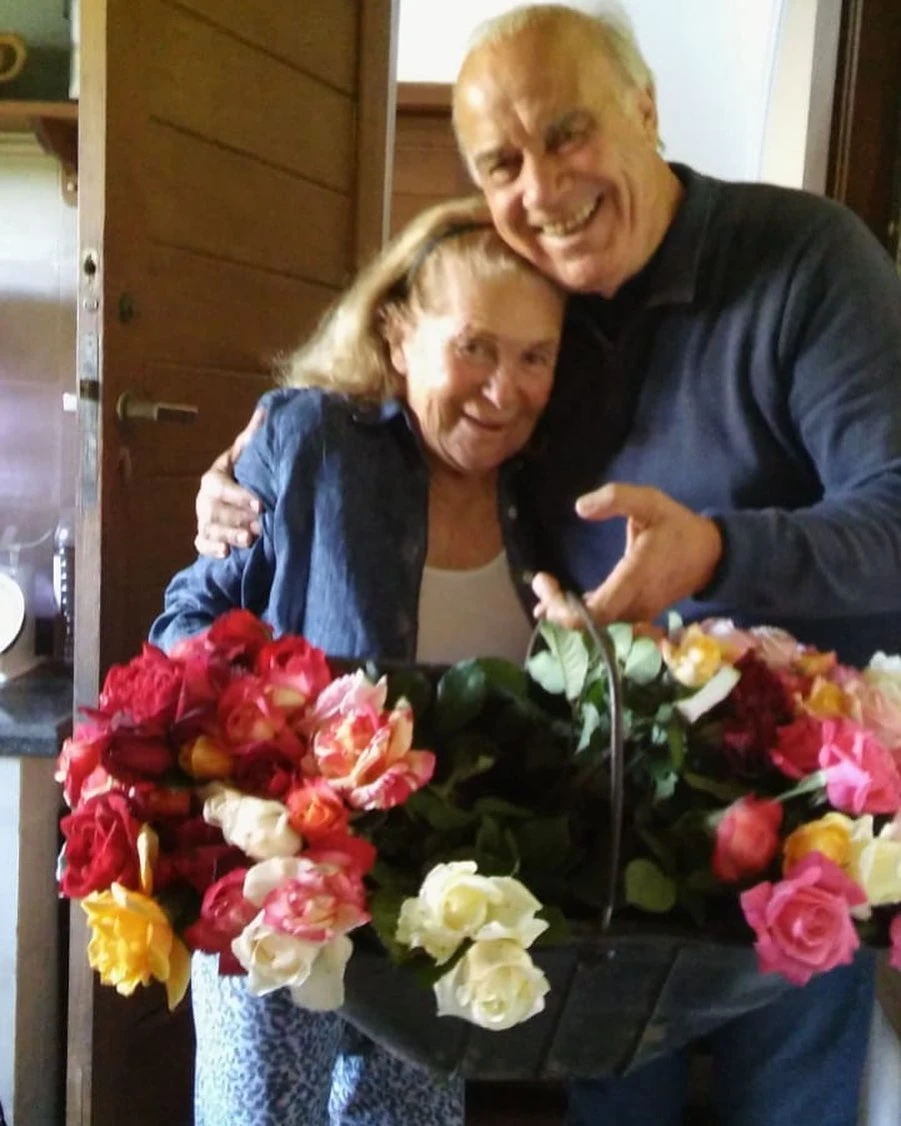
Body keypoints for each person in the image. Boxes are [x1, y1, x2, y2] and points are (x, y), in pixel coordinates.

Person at [194, 6, 901, 1126]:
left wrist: (717, 549)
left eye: (567, 132)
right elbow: (417, 395)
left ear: (645, 109)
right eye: (501, 164)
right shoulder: (538, 286)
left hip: (797, 824)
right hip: (602, 838)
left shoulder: (806, 259)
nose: (542, 187)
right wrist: (262, 461)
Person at [150, 194, 565, 1126]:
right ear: (397, 334)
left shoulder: (552, 486)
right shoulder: (310, 441)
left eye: (533, 356)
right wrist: (249, 748)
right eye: (474, 347)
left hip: (447, 902)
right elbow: (185, 619)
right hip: (284, 886)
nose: (504, 389)